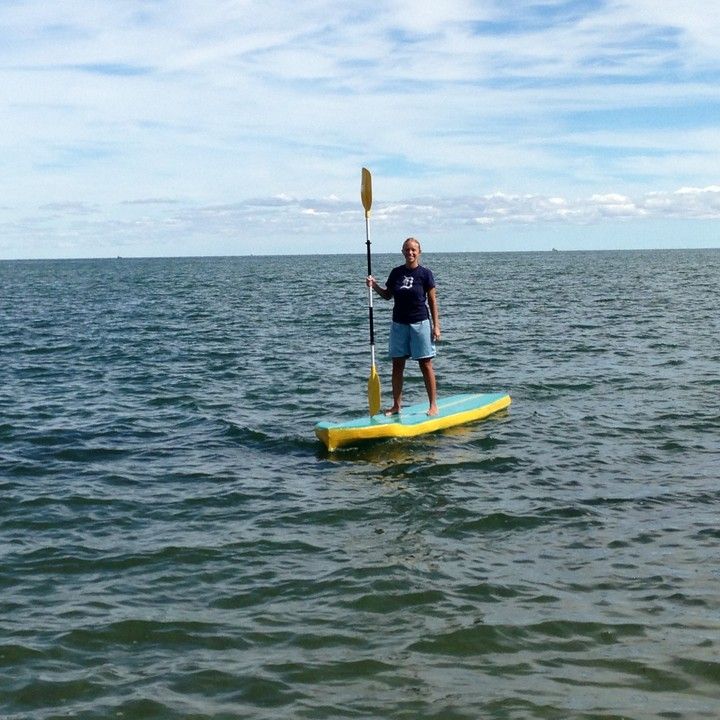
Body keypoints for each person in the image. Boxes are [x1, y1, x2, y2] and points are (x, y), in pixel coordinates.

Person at [366, 237, 441, 416]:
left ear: (419, 252)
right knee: (397, 365)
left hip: (420, 323)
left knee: (425, 364)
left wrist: (436, 326)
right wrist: (373, 285)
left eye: (413, 250)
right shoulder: (396, 273)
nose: (410, 253)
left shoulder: (425, 274)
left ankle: (433, 405)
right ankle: (396, 406)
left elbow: (432, 301)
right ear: (402, 252)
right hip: (399, 325)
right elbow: (387, 295)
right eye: (407, 250)